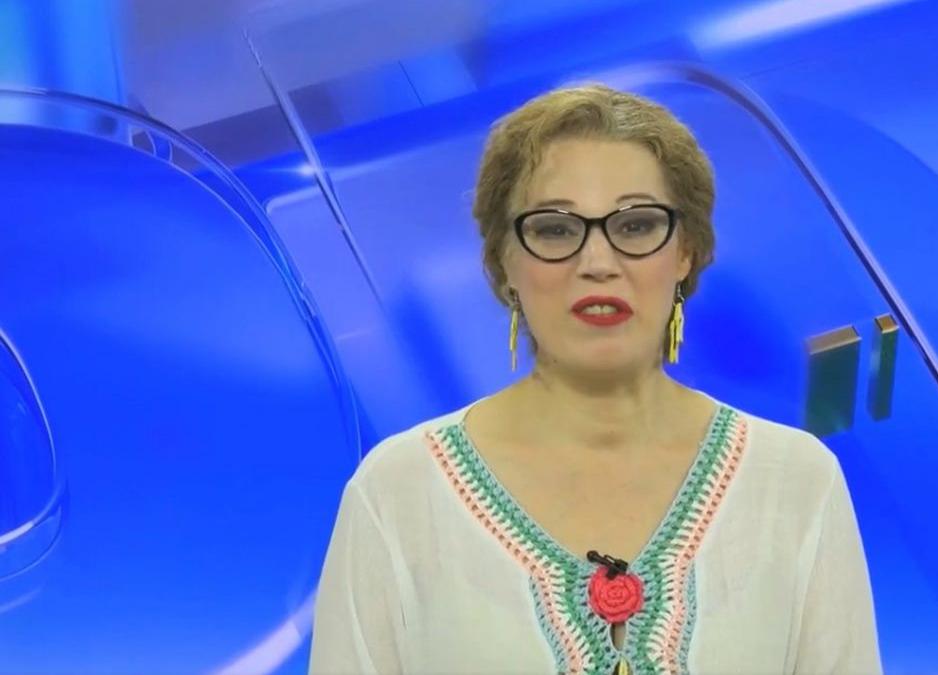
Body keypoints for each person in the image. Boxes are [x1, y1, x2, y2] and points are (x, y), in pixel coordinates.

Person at [308, 83, 882, 674]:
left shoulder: (795, 481)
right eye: (555, 230)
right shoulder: (398, 493)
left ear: (686, 251)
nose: (598, 263)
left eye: (635, 226)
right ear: (504, 261)